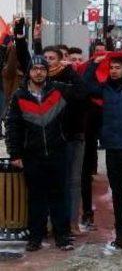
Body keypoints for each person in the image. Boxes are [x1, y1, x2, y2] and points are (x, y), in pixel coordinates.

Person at [6, 55, 86, 251]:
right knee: (36, 198)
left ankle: (62, 236)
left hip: (58, 152)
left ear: (47, 71)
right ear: (29, 72)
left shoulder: (58, 90)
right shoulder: (19, 95)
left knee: (59, 196)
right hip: (32, 155)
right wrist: (15, 154)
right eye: (35, 69)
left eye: (43, 68)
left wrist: (69, 70)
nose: (39, 72)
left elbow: (82, 93)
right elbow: (12, 126)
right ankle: (36, 237)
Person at [83, 36, 122, 254]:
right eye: (111, 67)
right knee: (118, 194)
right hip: (112, 148)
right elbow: (85, 85)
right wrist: (93, 63)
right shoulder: (104, 89)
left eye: (117, 67)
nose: (113, 71)